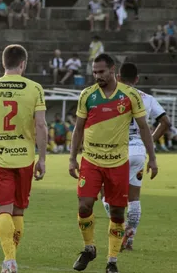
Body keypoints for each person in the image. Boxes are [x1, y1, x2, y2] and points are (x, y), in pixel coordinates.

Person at [68, 54, 158, 273]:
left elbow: (144, 128)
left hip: (118, 163)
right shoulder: (87, 95)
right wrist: (72, 158)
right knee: (84, 205)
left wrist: (153, 157)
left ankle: (112, 261)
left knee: (118, 212)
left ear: (112, 70)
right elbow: (78, 129)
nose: (97, 76)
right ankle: (89, 248)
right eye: (94, 72)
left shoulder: (129, 95)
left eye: (101, 72)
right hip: (91, 161)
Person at [0, 44, 47, 273]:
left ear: (3, 63)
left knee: (3, 210)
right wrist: (43, 158)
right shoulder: (35, 88)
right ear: (23, 64)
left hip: (0, 158)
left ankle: (9, 260)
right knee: (18, 211)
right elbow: (41, 125)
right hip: (26, 157)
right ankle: (10, 258)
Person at [99, 63, 169, 251]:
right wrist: (150, 142)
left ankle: (119, 229)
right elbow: (165, 122)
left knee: (105, 194)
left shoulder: (111, 96)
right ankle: (129, 240)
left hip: (115, 150)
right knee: (134, 198)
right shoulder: (147, 98)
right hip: (138, 151)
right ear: (137, 79)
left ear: (119, 77)